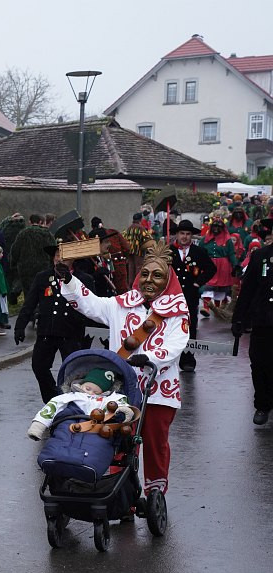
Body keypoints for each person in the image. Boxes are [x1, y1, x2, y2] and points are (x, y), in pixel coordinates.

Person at [57, 243, 190, 498]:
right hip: (123, 391)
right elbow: (91, 305)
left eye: (157, 275)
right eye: (145, 274)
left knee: (154, 443)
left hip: (158, 391)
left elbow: (175, 345)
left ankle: (155, 491)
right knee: (118, 441)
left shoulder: (177, 313)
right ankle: (121, 495)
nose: (149, 280)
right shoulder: (120, 304)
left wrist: (147, 358)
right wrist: (69, 280)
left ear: (168, 280)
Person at [14, 242, 93, 403]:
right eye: (57, 255)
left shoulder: (84, 279)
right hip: (47, 332)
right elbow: (29, 303)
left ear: (72, 259)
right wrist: (19, 326)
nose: (59, 259)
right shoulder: (42, 277)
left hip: (71, 332)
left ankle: (72, 402)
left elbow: (92, 306)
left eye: (63, 255)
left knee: (74, 371)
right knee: (39, 366)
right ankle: (53, 399)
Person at [231, 218, 273, 425]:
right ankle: (262, 405)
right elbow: (247, 291)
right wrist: (239, 318)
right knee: (259, 362)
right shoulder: (260, 256)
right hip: (263, 319)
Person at [27, 367, 136, 440]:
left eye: (96, 391)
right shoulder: (72, 395)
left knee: (99, 441)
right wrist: (38, 426)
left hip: (98, 427)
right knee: (61, 437)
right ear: (82, 384)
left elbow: (119, 403)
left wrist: (123, 410)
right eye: (88, 388)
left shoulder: (107, 398)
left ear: (104, 392)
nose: (91, 393)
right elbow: (53, 406)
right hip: (70, 421)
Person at [170, 219, 216, 372]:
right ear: (177, 234)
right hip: (171, 297)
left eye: (188, 234)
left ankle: (188, 359)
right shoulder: (168, 252)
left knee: (189, 327)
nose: (185, 237)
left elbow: (211, 269)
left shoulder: (198, 252)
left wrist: (198, 282)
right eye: (182, 233)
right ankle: (167, 358)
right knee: (169, 327)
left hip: (190, 297)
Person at [198, 211, 239, 316]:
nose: (216, 228)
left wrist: (235, 265)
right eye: (214, 226)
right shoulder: (205, 239)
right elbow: (200, 252)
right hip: (210, 265)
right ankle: (206, 307)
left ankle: (217, 308)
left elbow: (231, 254)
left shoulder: (228, 240)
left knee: (221, 288)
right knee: (208, 285)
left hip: (223, 266)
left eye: (219, 226)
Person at [11, 214, 55, 303]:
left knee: (29, 295)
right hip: (43, 268)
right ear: (40, 222)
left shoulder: (22, 234)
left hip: (26, 270)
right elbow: (53, 251)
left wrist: (14, 265)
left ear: (30, 222)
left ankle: (30, 313)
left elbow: (14, 251)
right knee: (42, 293)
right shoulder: (47, 234)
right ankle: (40, 312)